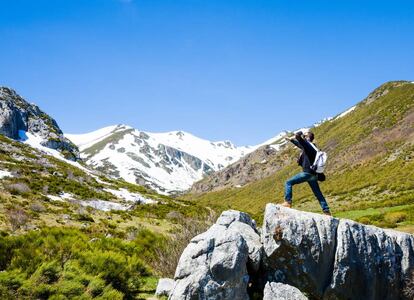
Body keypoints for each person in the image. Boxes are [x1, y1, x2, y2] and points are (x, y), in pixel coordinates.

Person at [282, 131, 331, 215]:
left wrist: (301, 134)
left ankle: (287, 202)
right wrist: (291, 140)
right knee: (318, 194)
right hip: (313, 175)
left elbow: (299, 138)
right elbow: (300, 145)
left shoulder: (308, 146)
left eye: (305, 136)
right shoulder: (312, 147)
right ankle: (326, 211)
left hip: (307, 173)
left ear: (307, 137)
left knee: (288, 182)